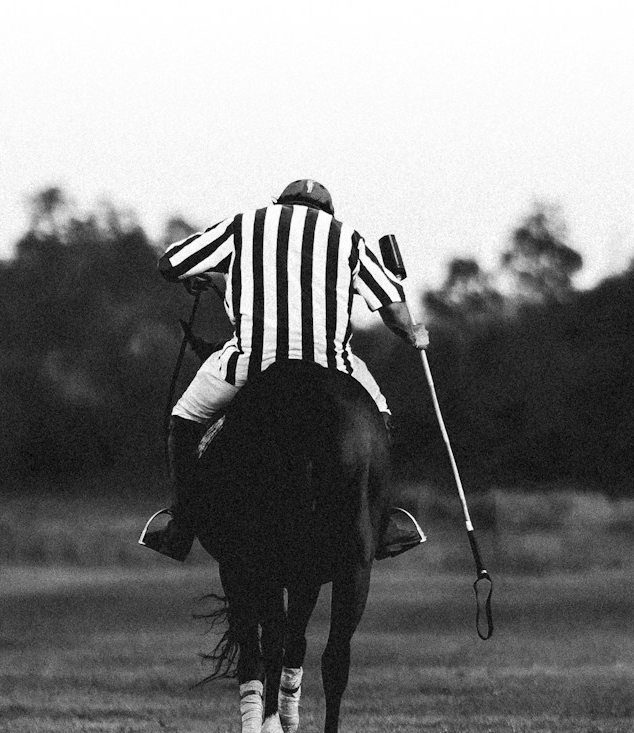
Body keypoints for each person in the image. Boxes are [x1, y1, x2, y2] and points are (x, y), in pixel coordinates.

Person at [139, 177, 429, 561]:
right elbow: (391, 307)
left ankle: (181, 523)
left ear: (279, 204)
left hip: (252, 361)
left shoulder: (244, 225)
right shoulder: (349, 239)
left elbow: (171, 263)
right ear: (327, 214)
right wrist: (412, 333)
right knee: (379, 418)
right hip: (333, 364)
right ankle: (381, 523)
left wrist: (202, 275)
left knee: (184, 417)